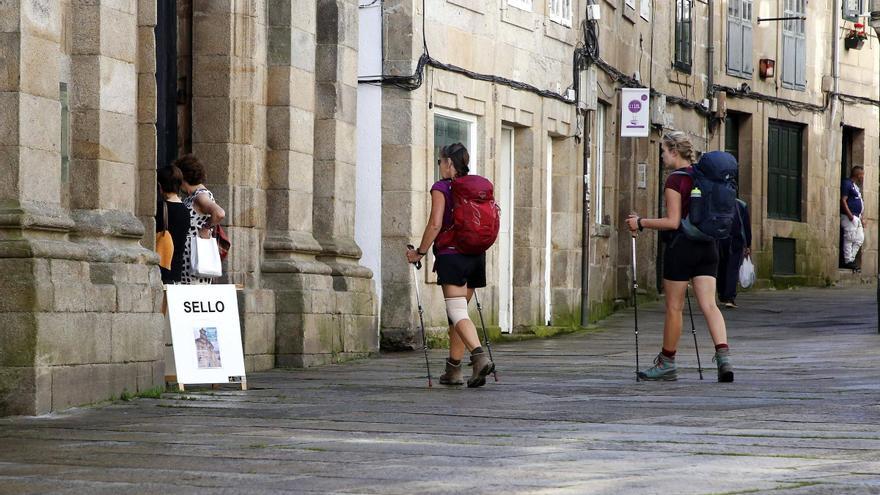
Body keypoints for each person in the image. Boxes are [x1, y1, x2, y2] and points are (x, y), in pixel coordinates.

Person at [625, 131, 733, 383]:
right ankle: (724, 358)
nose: (662, 156)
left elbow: (673, 222)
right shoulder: (706, 176)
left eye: (663, 151)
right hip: (708, 247)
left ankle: (667, 362)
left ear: (674, 151)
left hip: (682, 248)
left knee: (674, 307)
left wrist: (640, 222)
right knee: (709, 304)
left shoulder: (676, 180)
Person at [405, 143, 495, 388]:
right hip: (475, 255)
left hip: (452, 256)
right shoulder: (475, 189)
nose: (439, 166)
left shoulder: (441, 187)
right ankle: (453, 370)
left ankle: (479, 356)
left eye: (440, 161)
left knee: (456, 312)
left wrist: (419, 253)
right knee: (458, 312)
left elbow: (435, 224)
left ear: (448, 163)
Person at [174, 154, 226, 285]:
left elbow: (219, 213)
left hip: (194, 258)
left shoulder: (200, 196)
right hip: (190, 258)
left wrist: (206, 228)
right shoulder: (193, 196)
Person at [155, 165, 192, 284]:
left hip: (161, 269)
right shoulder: (186, 211)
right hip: (176, 271)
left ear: (160, 186)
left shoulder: (159, 208)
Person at [717, 198, 752, 308]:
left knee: (721, 266)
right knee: (732, 268)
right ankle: (729, 298)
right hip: (735, 240)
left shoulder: (719, 201)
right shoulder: (741, 205)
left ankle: (722, 294)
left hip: (720, 239)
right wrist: (748, 244)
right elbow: (746, 226)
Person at [841, 165, 865, 271]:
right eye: (862, 175)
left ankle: (851, 259)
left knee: (859, 239)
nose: (863, 177)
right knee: (849, 238)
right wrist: (850, 215)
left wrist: (861, 217)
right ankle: (848, 260)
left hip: (857, 217)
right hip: (849, 217)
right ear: (858, 175)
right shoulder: (847, 184)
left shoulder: (855, 186)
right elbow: (843, 200)